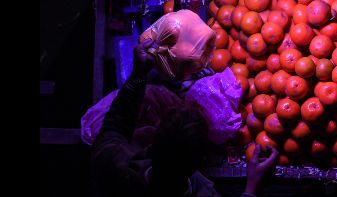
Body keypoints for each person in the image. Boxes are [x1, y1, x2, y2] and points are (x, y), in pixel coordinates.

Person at [91, 38, 279, 197]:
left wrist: (139, 73)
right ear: (201, 162)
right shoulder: (205, 193)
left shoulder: (115, 169)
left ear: (150, 146)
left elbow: (115, 125)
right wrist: (252, 186)